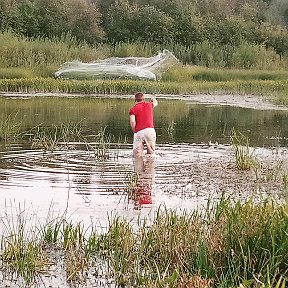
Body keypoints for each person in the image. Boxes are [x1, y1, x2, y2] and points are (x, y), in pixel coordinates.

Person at [129, 92, 158, 158]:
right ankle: (150, 166)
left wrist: (135, 131)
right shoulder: (149, 105)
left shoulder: (133, 109)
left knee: (137, 155)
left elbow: (133, 122)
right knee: (151, 154)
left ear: (135, 100)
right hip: (150, 131)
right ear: (143, 98)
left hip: (139, 132)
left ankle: (138, 167)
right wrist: (153, 99)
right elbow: (155, 103)